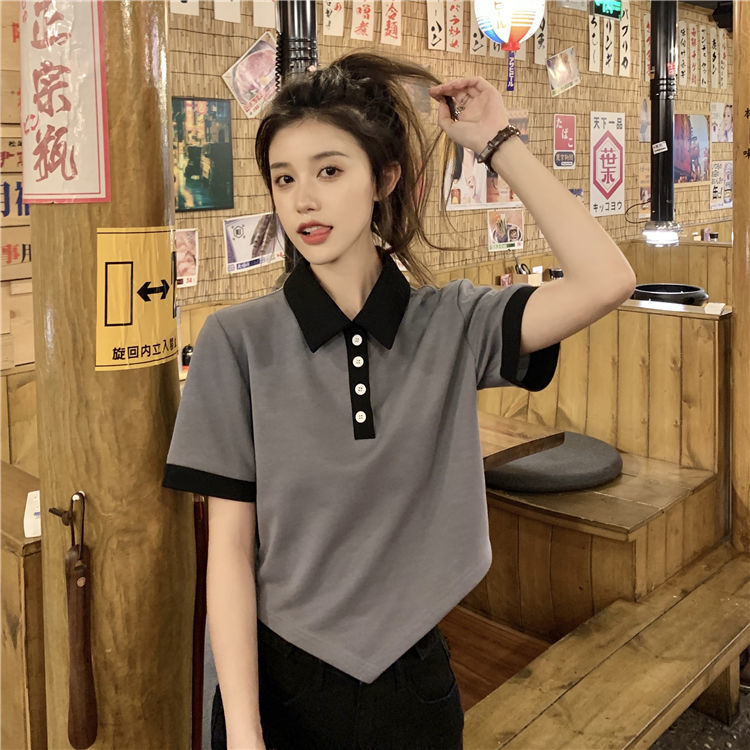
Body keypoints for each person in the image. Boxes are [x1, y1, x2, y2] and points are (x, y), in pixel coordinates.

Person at [162, 52, 635, 750]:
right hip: (282, 680)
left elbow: (607, 280)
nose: (303, 200)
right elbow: (228, 553)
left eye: (329, 171)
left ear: (383, 179)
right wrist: (242, 729)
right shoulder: (236, 341)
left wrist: (498, 142)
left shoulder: (453, 322)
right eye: (284, 178)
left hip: (414, 678)